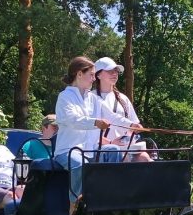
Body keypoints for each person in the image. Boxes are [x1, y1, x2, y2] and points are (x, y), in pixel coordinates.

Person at [53, 56, 137, 204]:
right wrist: (96, 122)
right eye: (91, 75)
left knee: (113, 150)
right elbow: (73, 120)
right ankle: (74, 208)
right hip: (67, 151)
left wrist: (131, 125)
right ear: (79, 74)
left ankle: (109, 198)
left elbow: (112, 117)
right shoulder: (65, 97)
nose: (93, 79)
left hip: (90, 150)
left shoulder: (93, 99)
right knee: (80, 163)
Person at [93, 56, 152, 163]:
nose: (115, 74)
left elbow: (133, 126)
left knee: (145, 159)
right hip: (102, 150)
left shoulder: (123, 99)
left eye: (116, 71)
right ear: (98, 74)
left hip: (126, 148)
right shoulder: (90, 98)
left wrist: (129, 137)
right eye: (110, 71)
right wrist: (111, 143)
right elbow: (88, 134)